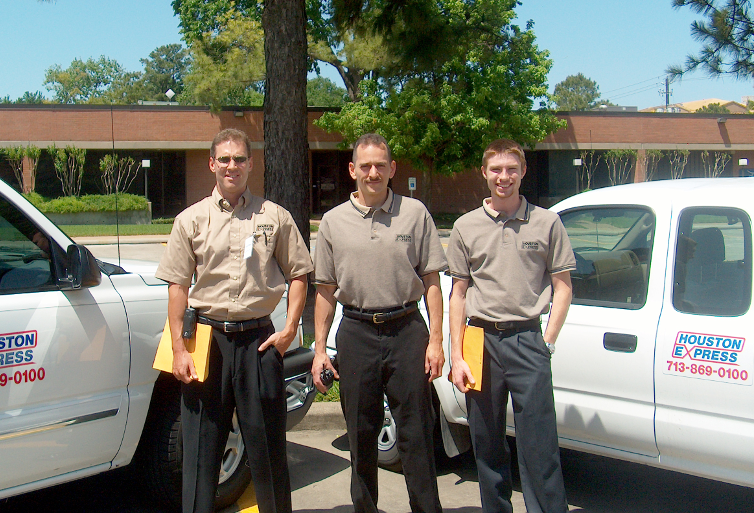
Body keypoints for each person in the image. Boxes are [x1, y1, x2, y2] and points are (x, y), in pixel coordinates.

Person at [155, 128, 313, 513]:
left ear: (250, 164)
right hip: (206, 341)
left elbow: (299, 274)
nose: (232, 166)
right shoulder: (190, 220)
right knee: (199, 450)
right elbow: (178, 287)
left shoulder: (274, 217)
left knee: (268, 448)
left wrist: (289, 328)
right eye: (224, 159)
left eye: (239, 158)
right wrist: (179, 349)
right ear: (212, 164)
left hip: (258, 341)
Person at [311, 133, 447, 513]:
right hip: (355, 332)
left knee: (416, 434)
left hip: (407, 330)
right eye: (365, 166)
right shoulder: (333, 222)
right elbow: (324, 290)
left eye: (380, 166)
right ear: (353, 170)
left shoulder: (415, 213)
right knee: (361, 433)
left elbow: (433, 282)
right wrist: (320, 350)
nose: (373, 172)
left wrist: (435, 341)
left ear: (392, 170)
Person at [446, 139, 575, 513]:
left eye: (512, 169)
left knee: (539, 446)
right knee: (486, 443)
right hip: (479, 341)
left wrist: (546, 341)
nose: (505, 177)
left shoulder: (547, 222)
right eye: (497, 170)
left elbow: (563, 287)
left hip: (527, 340)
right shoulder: (465, 226)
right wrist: (457, 355)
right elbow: (458, 293)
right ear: (484, 173)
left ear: (522, 172)